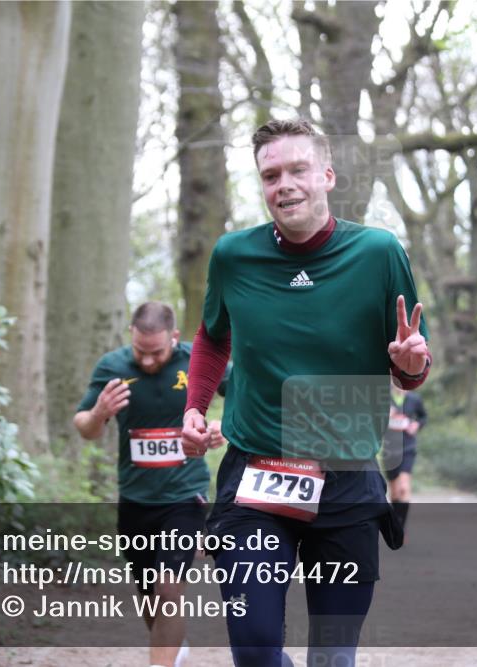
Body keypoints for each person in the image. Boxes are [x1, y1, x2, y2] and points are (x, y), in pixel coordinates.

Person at [181, 118, 431, 667]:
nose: (285, 184)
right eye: (271, 175)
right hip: (256, 478)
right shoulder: (234, 256)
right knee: (254, 650)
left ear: (326, 175)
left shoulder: (379, 252)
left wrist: (410, 368)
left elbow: (410, 358)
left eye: (297, 170)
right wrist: (195, 408)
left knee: (334, 659)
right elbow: (211, 336)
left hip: (345, 481)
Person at [74, 302, 225, 667]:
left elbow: (244, 393)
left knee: (168, 587)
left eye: (156, 352)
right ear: (131, 335)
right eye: (141, 351)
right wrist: (99, 413)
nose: (147, 361)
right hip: (136, 498)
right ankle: (173, 644)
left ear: (174, 337)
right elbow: (85, 427)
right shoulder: (112, 367)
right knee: (149, 596)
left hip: (184, 496)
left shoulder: (197, 361)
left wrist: (227, 426)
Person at [382, 381, 428, 535]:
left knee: (404, 487)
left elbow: (423, 417)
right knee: (394, 492)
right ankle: (396, 525)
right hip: (389, 449)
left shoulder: (414, 399)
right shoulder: (384, 398)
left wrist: (417, 425)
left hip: (407, 447)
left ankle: (401, 528)